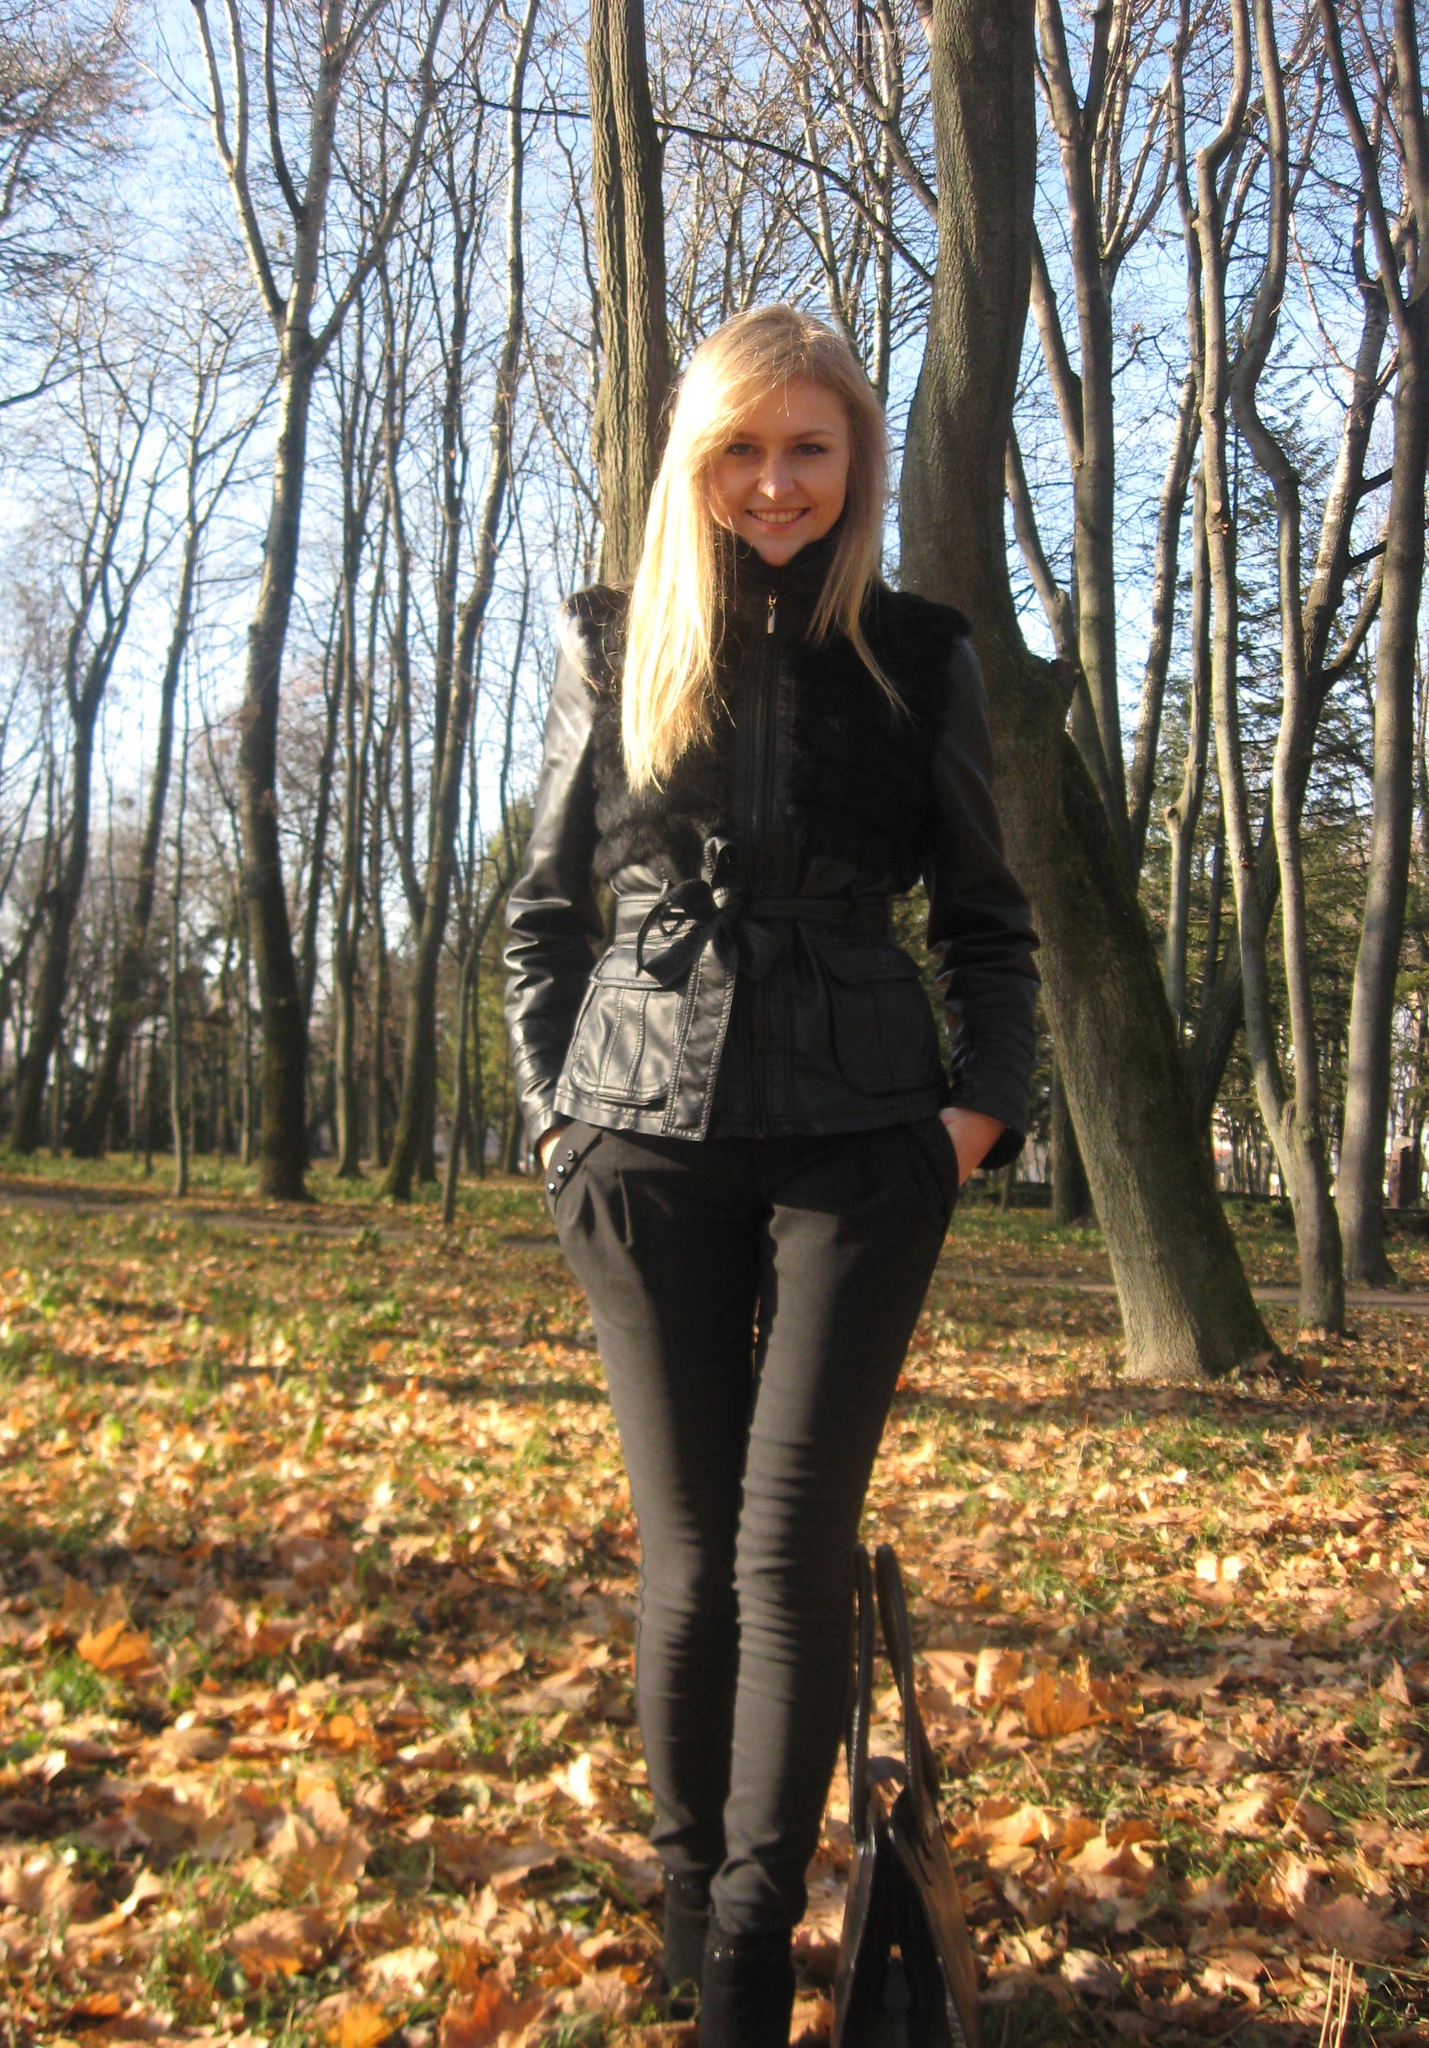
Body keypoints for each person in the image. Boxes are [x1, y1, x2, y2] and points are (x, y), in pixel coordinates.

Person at [503, 304, 1038, 2048]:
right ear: (696, 463)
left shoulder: (918, 654)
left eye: (810, 447)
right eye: (741, 448)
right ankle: (685, 1910)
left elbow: (989, 923)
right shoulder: (615, 641)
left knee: (788, 1556)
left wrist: (971, 1121)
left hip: (860, 1149)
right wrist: (555, 1118)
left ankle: (745, 1952)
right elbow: (542, 914)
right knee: (686, 1561)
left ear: (856, 460)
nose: (776, 482)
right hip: (637, 1143)